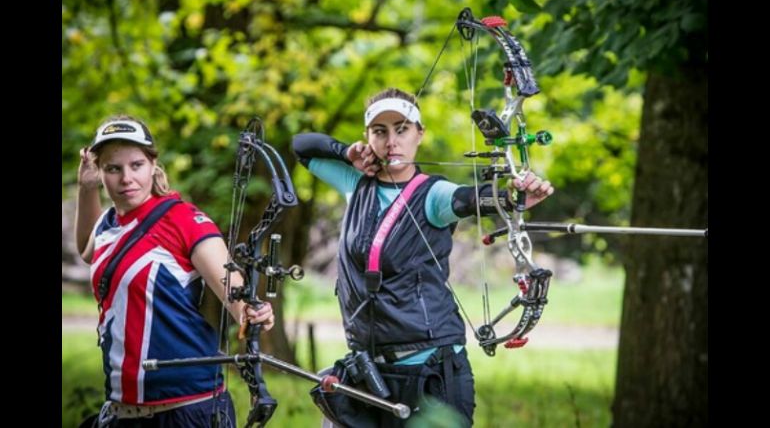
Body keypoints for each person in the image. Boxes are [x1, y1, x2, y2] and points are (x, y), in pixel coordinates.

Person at [292, 88, 554, 427]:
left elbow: (469, 199)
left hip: (430, 371)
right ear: (368, 137)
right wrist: (346, 153)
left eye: (402, 129)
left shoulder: (434, 195)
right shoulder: (355, 184)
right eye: (380, 131)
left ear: (420, 134)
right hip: (369, 370)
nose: (391, 142)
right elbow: (301, 145)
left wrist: (514, 197)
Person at [75, 116, 276, 427]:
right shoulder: (106, 223)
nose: (127, 178)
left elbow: (235, 293)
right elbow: (88, 250)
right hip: (121, 413)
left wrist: (253, 312)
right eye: (113, 169)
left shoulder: (183, 220)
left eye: (136, 165)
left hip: (187, 411)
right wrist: (86, 188)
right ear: (99, 171)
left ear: (153, 164)